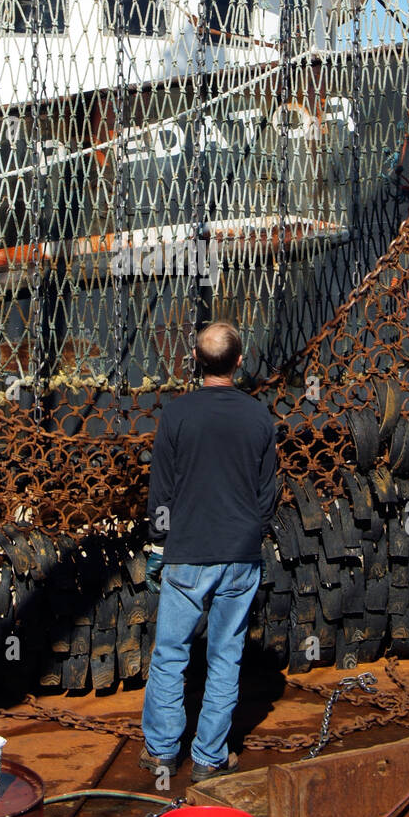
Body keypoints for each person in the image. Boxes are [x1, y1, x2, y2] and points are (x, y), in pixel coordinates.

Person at [140, 321, 277, 782]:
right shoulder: (260, 418)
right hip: (240, 554)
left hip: (186, 553)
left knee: (171, 654)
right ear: (240, 361)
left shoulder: (176, 415)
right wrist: (248, 535)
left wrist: (158, 545)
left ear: (195, 361)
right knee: (225, 656)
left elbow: (161, 492)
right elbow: (267, 494)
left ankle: (161, 753)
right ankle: (208, 758)